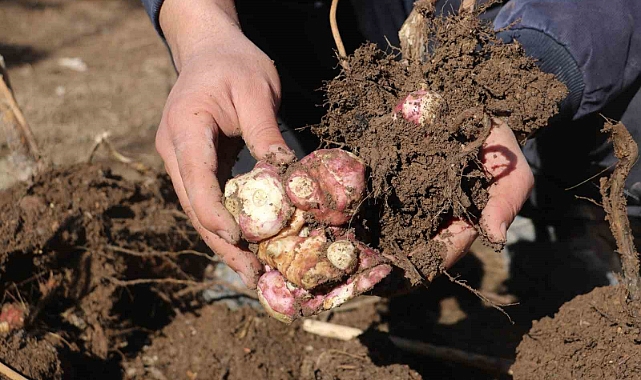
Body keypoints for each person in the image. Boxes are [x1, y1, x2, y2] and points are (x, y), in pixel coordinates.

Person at [140, 0, 641, 290]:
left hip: (501, 33)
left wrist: (512, 78)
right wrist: (202, 28)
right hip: (285, 55)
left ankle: (570, 211)